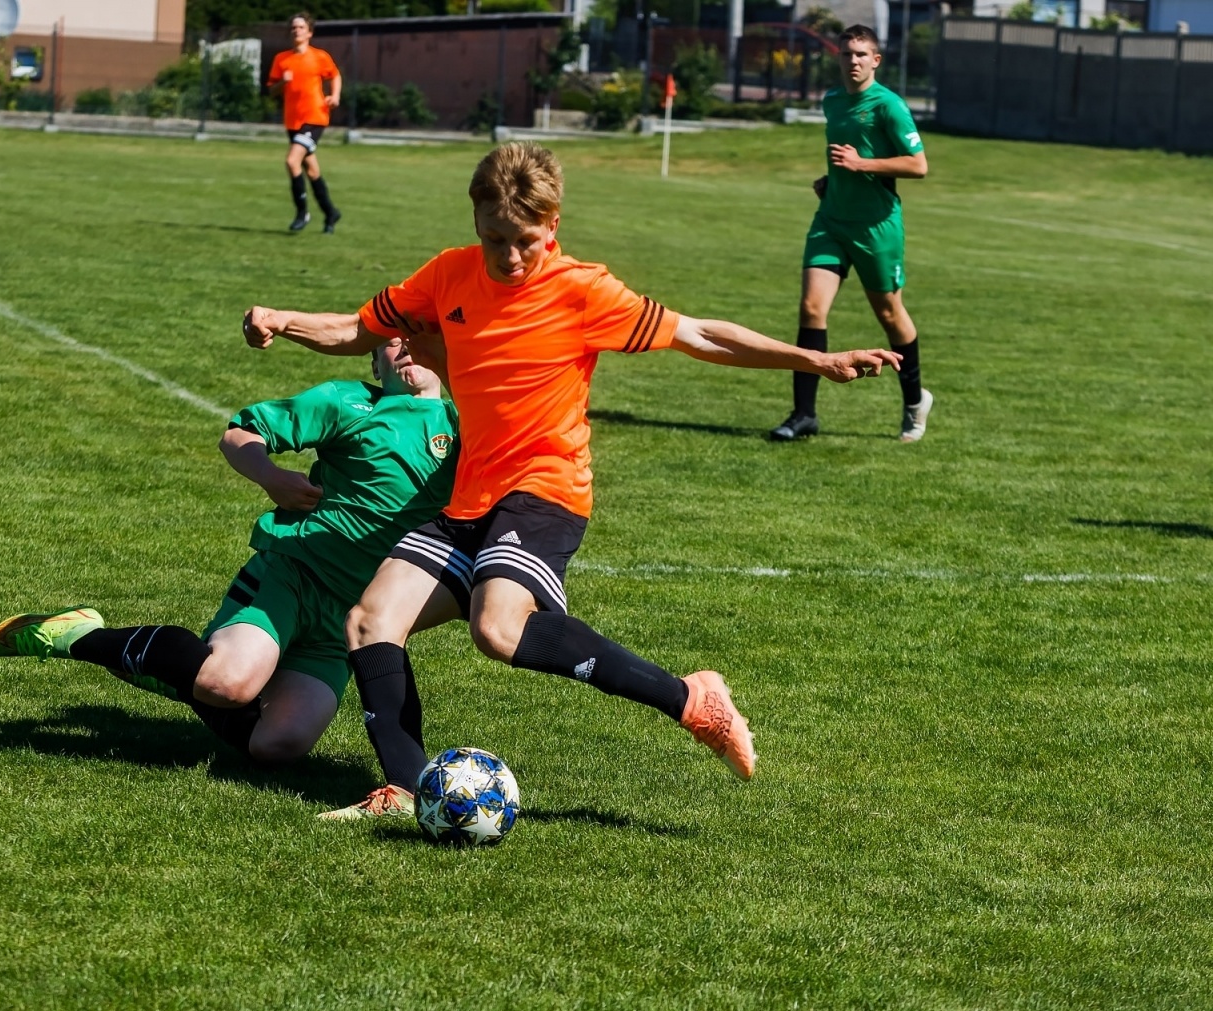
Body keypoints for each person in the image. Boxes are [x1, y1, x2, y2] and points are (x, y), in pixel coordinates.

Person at [242, 142, 901, 818]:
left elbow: (700, 336)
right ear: (475, 222)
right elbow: (358, 328)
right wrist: (281, 321)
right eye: (496, 238)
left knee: (498, 630)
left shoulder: (583, 290)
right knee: (370, 619)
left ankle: (694, 700)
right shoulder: (448, 276)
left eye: (526, 240)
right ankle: (405, 791)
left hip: (546, 490)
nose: (512, 257)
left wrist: (814, 362)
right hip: (471, 496)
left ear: (553, 225)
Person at [0, 338, 457, 765]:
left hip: (354, 617)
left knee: (279, 744)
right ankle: (78, 635)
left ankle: (192, 668)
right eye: (389, 342)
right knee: (227, 685)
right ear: (375, 363)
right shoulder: (347, 402)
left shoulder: (465, 427)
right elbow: (239, 434)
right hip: (291, 577)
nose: (405, 347)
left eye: (419, 337)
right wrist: (271, 477)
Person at [771, 24, 933, 443]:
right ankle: (803, 414)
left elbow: (918, 165)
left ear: (876, 60)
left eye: (862, 54)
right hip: (831, 220)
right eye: (847, 54)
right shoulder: (832, 100)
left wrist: (862, 166)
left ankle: (915, 402)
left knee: (889, 314)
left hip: (876, 227)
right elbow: (845, 156)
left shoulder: (889, 106)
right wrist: (832, 181)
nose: (854, 61)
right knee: (811, 308)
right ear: (839, 58)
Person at [267, 12, 343, 234]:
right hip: (293, 122)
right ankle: (331, 213)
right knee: (311, 171)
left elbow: (335, 75)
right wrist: (283, 82)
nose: (296, 31)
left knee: (292, 162)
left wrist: (335, 96)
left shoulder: (319, 57)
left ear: (309, 32)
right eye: (293, 28)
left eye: (300, 27)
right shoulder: (282, 59)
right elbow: (272, 91)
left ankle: (302, 213)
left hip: (315, 118)